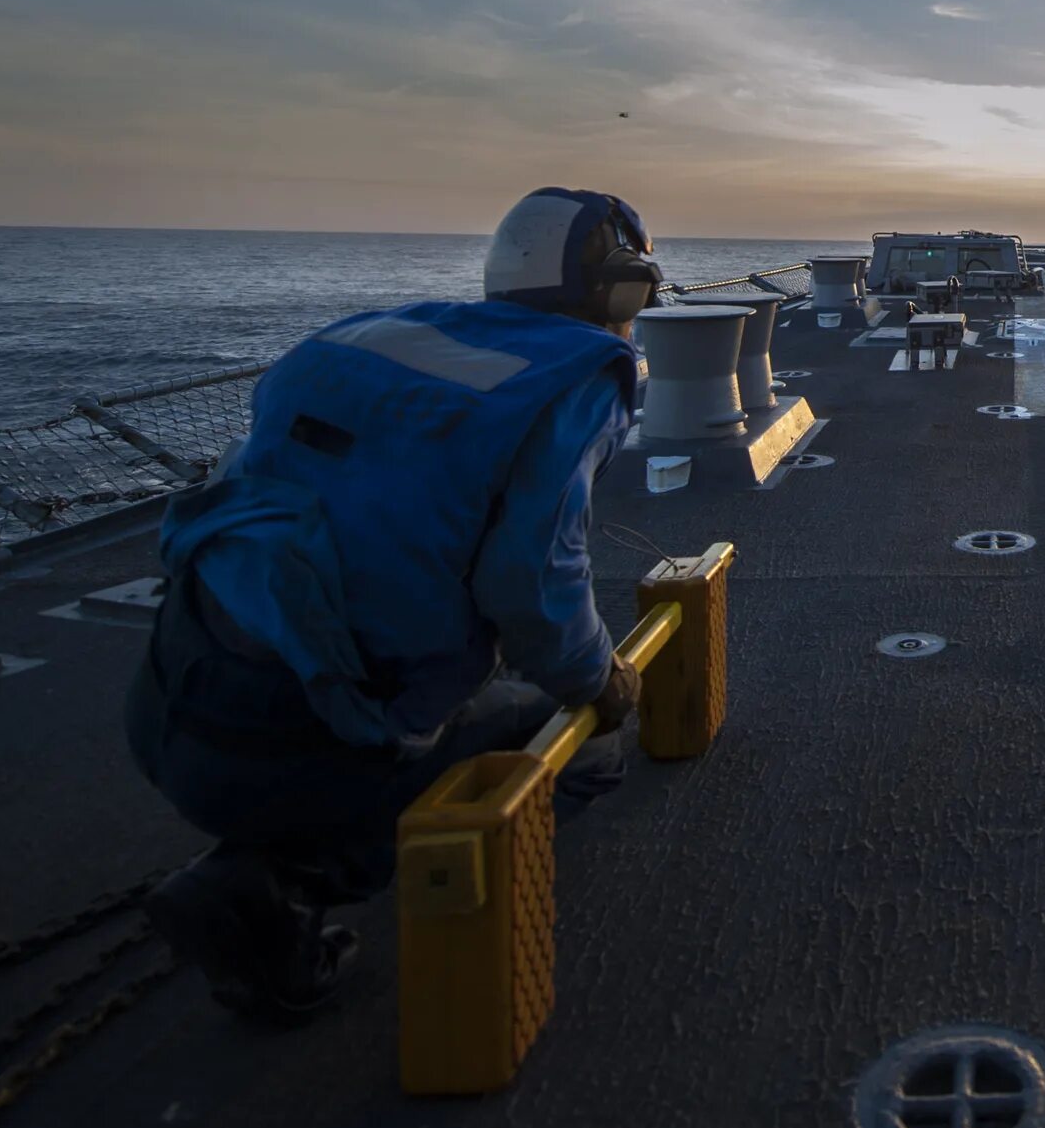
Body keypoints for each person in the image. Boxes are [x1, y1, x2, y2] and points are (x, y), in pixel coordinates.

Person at [126, 187, 663, 1021]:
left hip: (171, 707)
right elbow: (532, 587)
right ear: (621, 292)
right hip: (299, 739)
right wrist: (600, 684)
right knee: (581, 751)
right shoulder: (580, 379)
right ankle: (282, 883)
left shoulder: (363, 334)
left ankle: (277, 838)